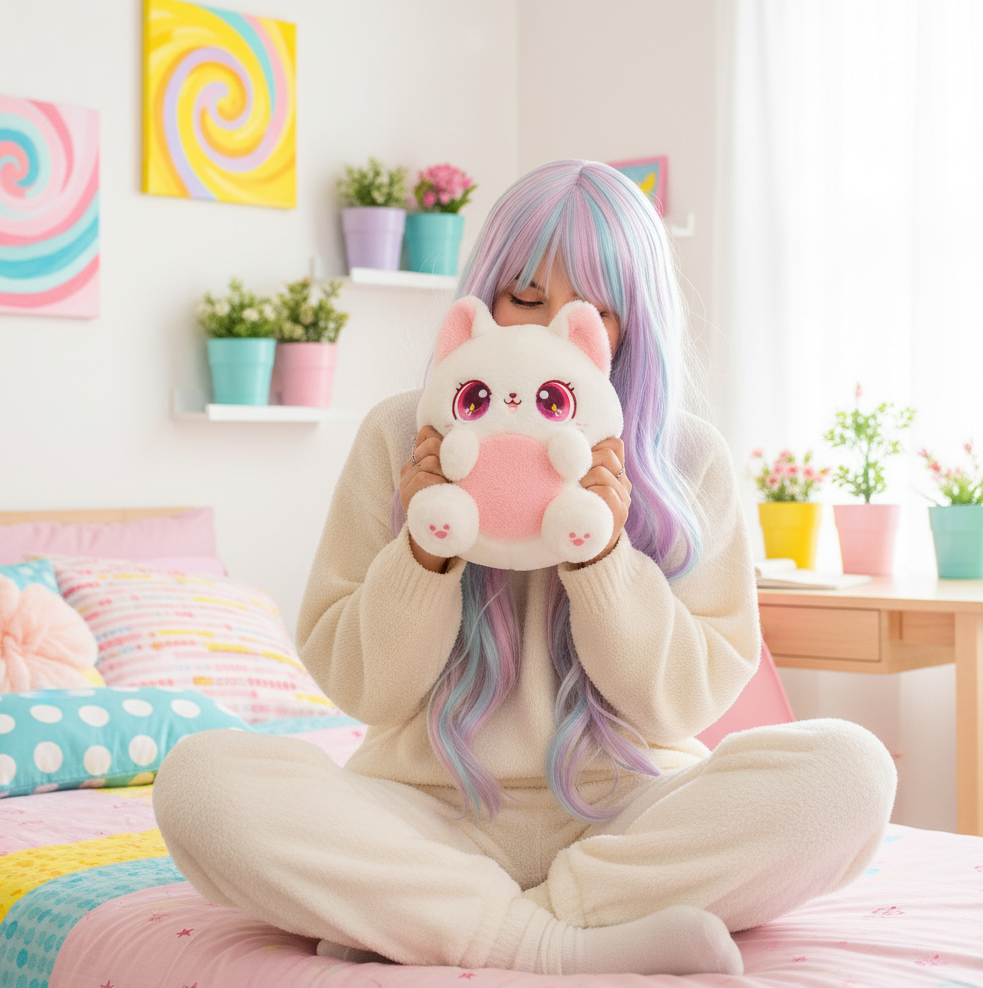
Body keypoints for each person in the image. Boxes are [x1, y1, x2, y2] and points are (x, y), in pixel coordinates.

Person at [154, 160, 896, 977]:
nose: (547, 332)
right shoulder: (401, 434)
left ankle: (439, 921)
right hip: (424, 810)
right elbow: (361, 689)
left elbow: (685, 701)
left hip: (628, 815)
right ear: (484, 301)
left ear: (628, 327)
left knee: (850, 773)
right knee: (202, 782)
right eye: (525, 298)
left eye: (589, 311)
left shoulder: (687, 460)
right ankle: (557, 944)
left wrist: (606, 555)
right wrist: (425, 549)